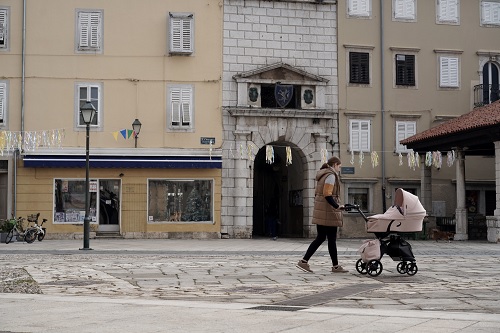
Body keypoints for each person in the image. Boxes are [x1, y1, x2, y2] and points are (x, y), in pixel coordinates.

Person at [296, 156, 349, 273]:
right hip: (328, 211)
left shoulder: (323, 174)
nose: (339, 169)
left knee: (321, 237)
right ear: (335, 165)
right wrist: (337, 206)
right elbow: (327, 194)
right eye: (339, 166)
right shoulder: (330, 175)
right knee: (331, 239)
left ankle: (304, 261)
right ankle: (335, 266)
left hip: (321, 209)